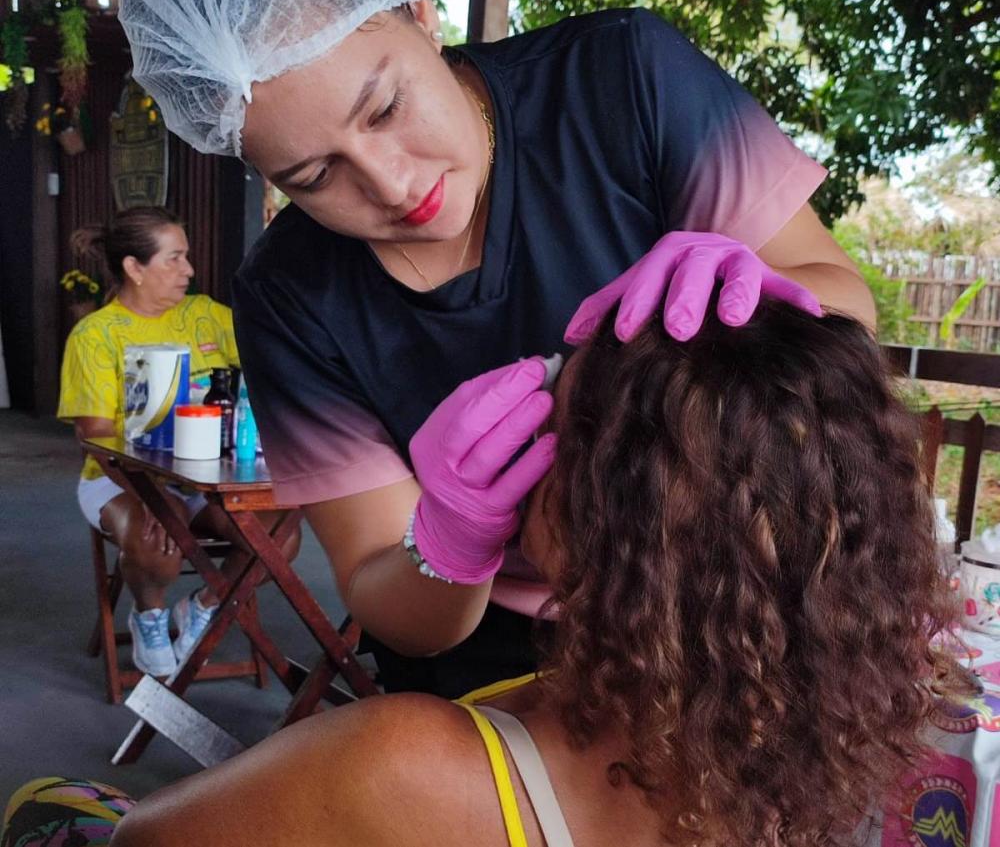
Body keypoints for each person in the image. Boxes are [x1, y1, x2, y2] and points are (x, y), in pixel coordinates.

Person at [116, 0, 877, 696]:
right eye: (314, 176)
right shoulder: (288, 294)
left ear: (416, 10)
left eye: (384, 108)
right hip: (491, 645)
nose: (391, 184)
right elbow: (384, 588)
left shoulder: (622, 78)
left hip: (722, 587)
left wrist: (782, 306)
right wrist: (447, 543)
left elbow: (850, 317)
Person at [14, 296, 959, 847]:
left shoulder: (405, 762)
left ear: (590, 529)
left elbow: (143, 841)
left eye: (551, 421)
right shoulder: (821, 746)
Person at [58, 207, 301, 677]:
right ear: (135, 267)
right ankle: (149, 615)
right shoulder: (97, 335)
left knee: (281, 538)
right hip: (116, 479)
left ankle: (206, 604)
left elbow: (272, 353)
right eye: (174, 258)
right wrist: (145, 493)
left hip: (203, 480)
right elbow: (95, 436)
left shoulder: (205, 316)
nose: (188, 269)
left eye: (186, 257)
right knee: (156, 538)